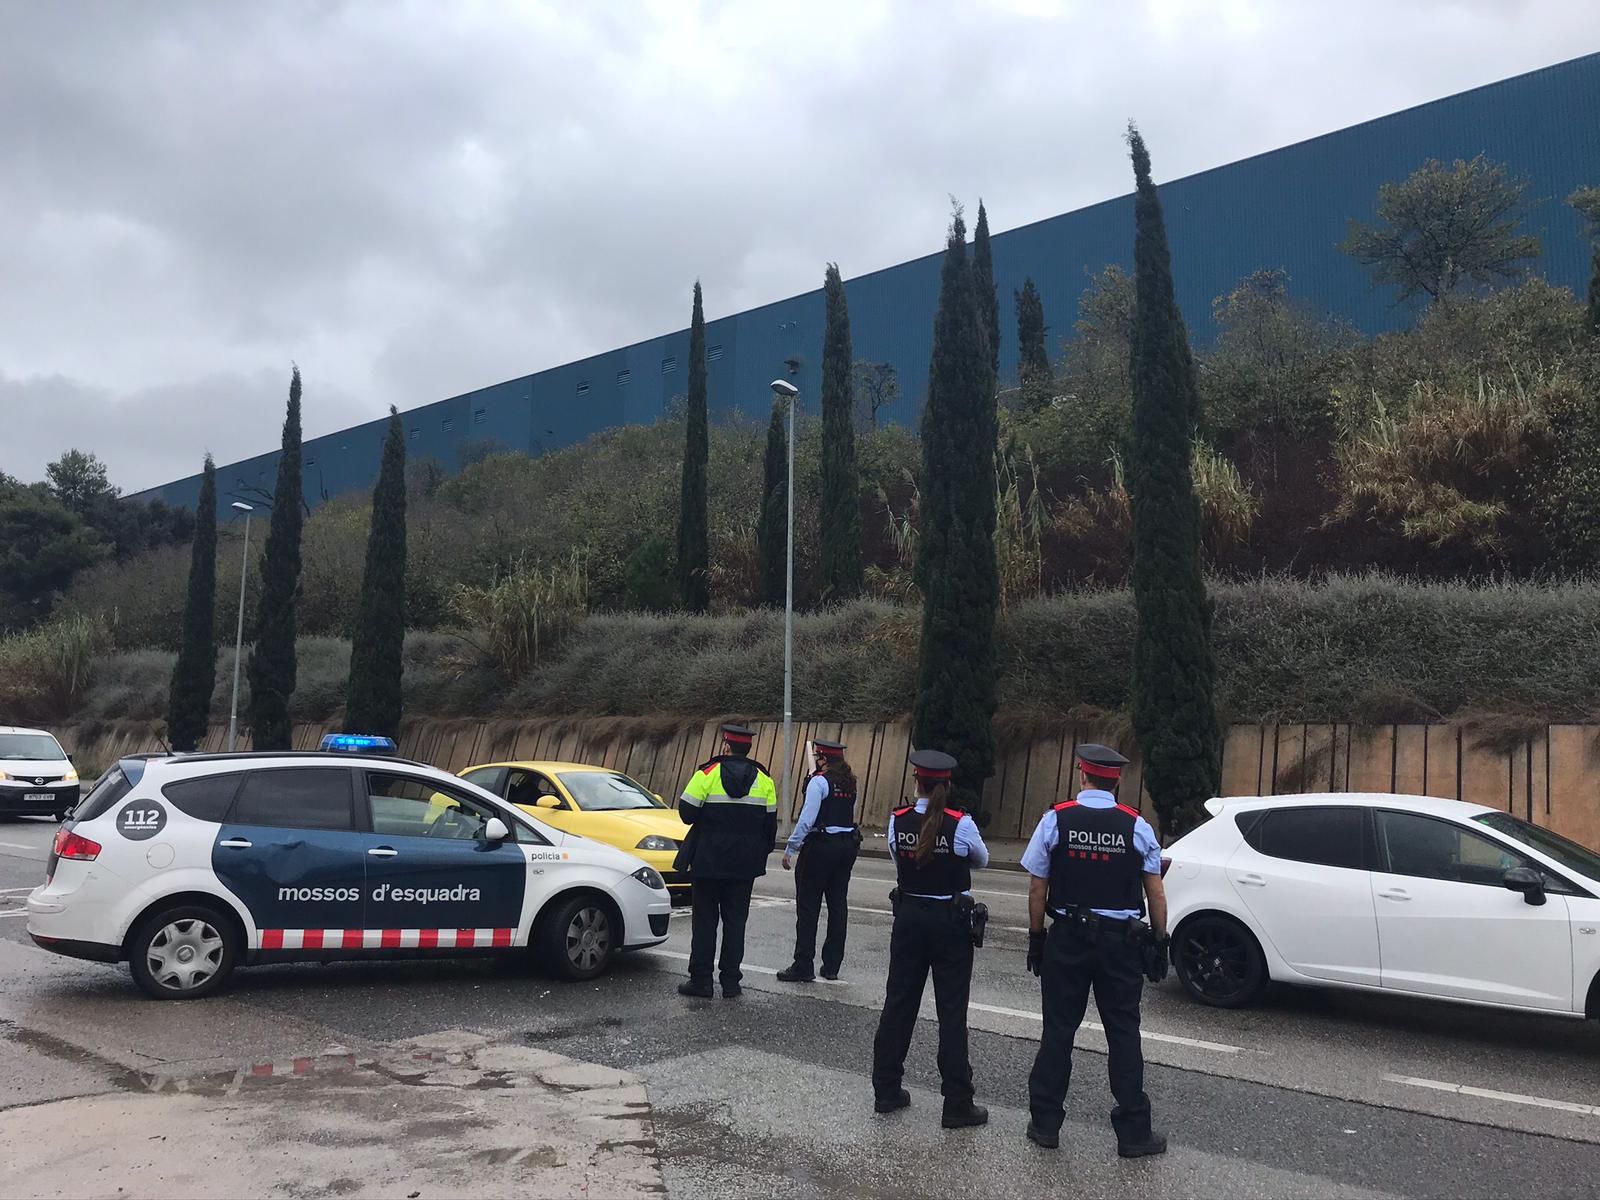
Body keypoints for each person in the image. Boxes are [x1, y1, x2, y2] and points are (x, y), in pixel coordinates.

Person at [1021, 743, 1169, 1158]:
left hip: (1068, 936)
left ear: (1082, 776)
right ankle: (1134, 1134)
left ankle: (1046, 1124)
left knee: (1058, 1030)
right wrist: (1160, 940)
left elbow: (1038, 886)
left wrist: (1036, 936)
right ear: (1116, 780)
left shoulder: (1056, 818)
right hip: (1120, 943)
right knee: (1123, 1032)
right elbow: (1154, 888)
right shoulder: (1135, 824)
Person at [870, 748, 990, 1128]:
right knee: (951, 1012)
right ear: (947, 785)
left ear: (916, 782)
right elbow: (981, 860)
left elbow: (897, 858)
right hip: (949, 922)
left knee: (898, 1004)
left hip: (908, 918)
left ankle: (886, 1089)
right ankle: (957, 1102)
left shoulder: (897, 820)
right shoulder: (960, 824)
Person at [676, 723, 778, 999]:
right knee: (736, 923)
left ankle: (701, 982)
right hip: (744, 865)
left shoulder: (707, 774)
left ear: (726, 746)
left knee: (705, 922)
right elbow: (770, 828)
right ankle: (731, 983)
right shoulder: (764, 780)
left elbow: (686, 813)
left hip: (708, 861)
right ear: (747, 749)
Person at [777, 739, 860, 983]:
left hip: (820, 847)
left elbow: (806, 820)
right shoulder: (850, 784)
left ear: (822, 759)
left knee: (808, 906)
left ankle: (803, 964)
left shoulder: (819, 782)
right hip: (846, 847)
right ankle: (832, 965)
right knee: (837, 906)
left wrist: (790, 848)